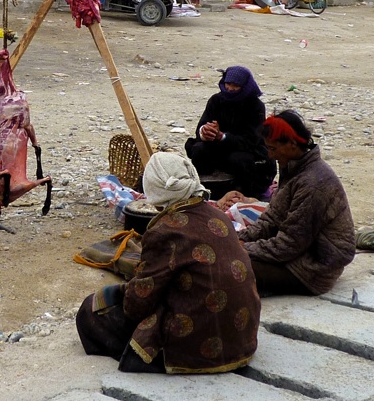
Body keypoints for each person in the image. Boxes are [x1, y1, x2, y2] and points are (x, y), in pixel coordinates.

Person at [75, 152, 261, 374]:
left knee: (90, 311)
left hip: (199, 344)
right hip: (242, 339)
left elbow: (137, 305)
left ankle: (158, 357)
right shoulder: (218, 216)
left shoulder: (164, 231)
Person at [226, 110, 355, 296]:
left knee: (227, 266)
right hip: (296, 254)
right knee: (225, 253)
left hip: (311, 270)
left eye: (273, 149)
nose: (270, 155)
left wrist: (243, 248)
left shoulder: (313, 183)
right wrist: (238, 238)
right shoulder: (294, 168)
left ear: (292, 144)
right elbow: (271, 219)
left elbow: (289, 244)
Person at [184, 66, 276, 199]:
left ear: (245, 86)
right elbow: (202, 126)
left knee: (238, 160)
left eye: (235, 85)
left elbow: (251, 140)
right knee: (198, 150)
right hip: (218, 147)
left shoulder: (255, 106)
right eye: (228, 84)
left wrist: (223, 137)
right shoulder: (216, 100)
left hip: (245, 149)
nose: (230, 89)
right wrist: (206, 132)